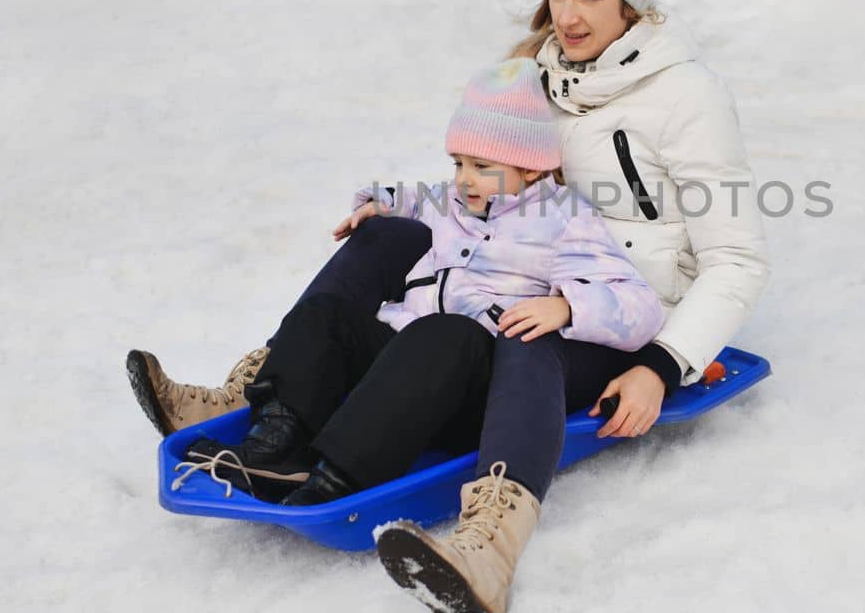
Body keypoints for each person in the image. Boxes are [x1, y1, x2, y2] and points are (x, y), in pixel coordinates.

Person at [134, 0, 771, 613]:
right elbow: (485, 186)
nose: (567, 16)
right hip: (510, 285)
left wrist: (663, 366)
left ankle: (489, 545)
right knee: (392, 235)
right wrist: (395, 207)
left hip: (619, 317)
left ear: (631, 4)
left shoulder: (686, 95)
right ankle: (256, 388)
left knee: (524, 332)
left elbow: (737, 258)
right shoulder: (541, 74)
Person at [175, 57, 665, 509]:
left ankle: (340, 475)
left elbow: (639, 307)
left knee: (445, 332)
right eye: (458, 164)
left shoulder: (563, 219)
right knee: (327, 316)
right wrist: (378, 204)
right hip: (406, 376)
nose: (465, 180)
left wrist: (567, 307)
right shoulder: (455, 201)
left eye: (483, 167)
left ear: (532, 168)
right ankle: (272, 445)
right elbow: (415, 198)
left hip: (479, 391)